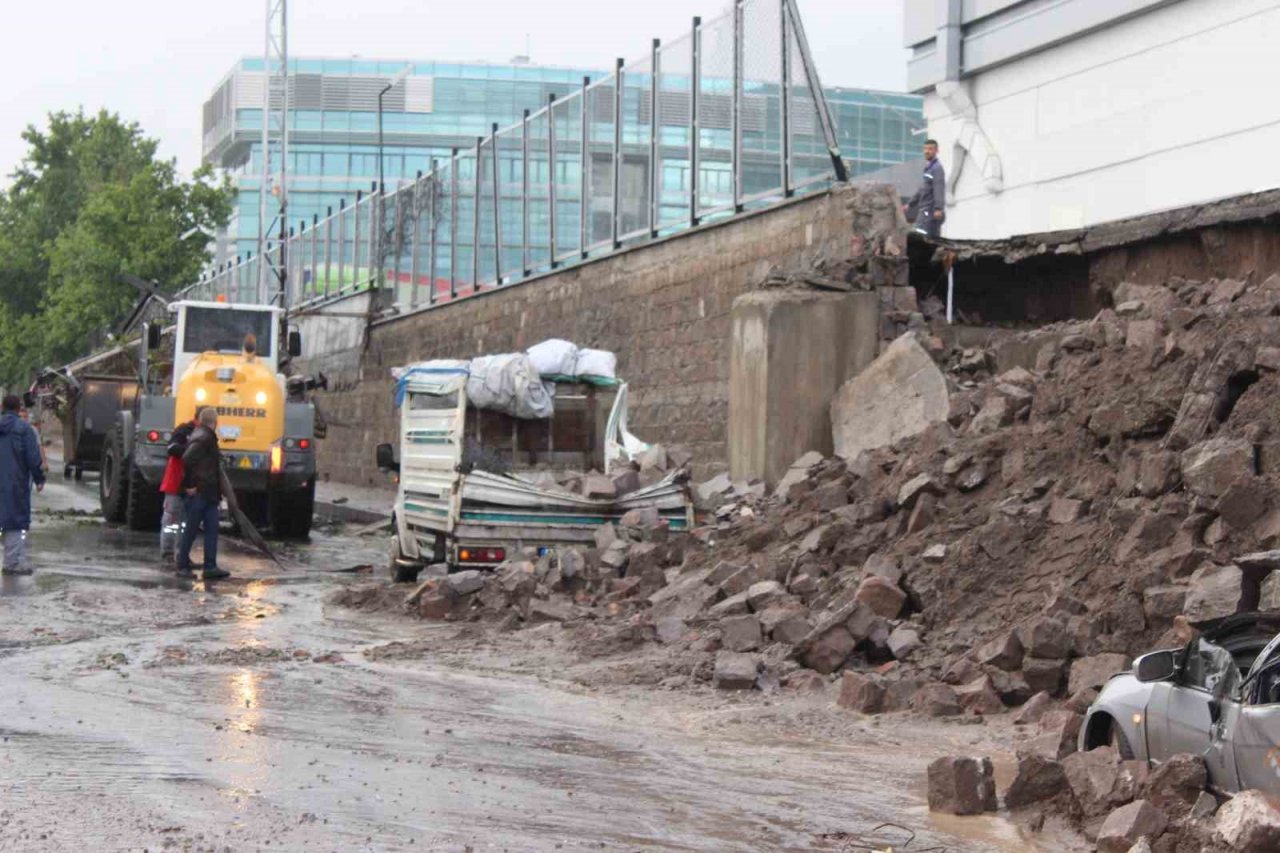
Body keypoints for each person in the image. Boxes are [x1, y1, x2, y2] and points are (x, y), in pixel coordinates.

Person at [175, 407, 231, 580]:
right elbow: (187, 459)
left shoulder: (202, 436)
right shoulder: (204, 437)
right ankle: (183, 565)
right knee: (192, 529)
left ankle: (210, 566)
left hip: (209, 492)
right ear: (214, 422)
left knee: (211, 529)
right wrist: (189, 485)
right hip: (201, 492)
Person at [0, 394, 46, 575]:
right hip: (15, 481)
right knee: (14, 521)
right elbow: (33, 458)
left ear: (2, 406)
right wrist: (39, 478)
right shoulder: (24, 430)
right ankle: (11, 563)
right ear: (19, 408)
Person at [158, 415, 197, 565]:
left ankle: (179, 553)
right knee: (173, 520)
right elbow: (172, 449)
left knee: (181, 521)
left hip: (185, 483)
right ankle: (170, 553)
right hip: (177, 483)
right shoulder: (186, 432)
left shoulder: (192, 433)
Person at [904, 139, 946, 239]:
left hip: (929, 211)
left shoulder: (936, 169)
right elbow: (923, 189)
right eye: (925, 149)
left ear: (936, 151)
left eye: (930, 149)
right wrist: (910, 204)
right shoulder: (929, 168)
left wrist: (938, 208)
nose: (927, 151)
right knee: (930, 239)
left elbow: (938, 188)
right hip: (926, 210)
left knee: (920, 237)